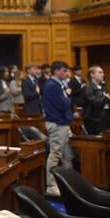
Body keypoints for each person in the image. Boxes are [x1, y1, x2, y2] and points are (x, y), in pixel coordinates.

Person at [42, 61, 74, 196]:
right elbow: (63, 104)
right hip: (57, 123)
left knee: (67, 156)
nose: (66, 73)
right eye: (64, 70)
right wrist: (67, 98)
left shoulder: (57, 84)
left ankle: (68, 183)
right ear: (56, 71)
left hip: (62, 123)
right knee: (55, 154)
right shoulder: (52, 85)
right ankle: (51, 185)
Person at [82, 66, 110, 134]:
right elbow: (94, 102)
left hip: (105, 117)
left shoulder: (103, 86)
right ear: (92, 74)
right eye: (100, 72)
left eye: (103, 72)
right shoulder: (88, 87)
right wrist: (106, 98)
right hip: (94, 119)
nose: (103, 74)